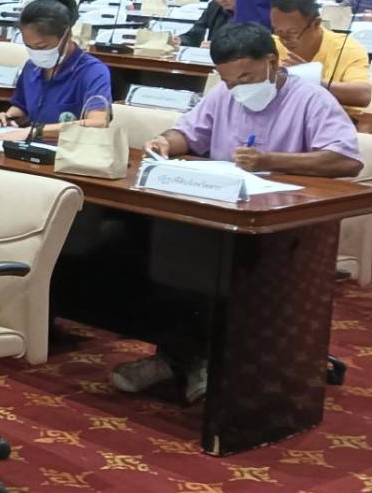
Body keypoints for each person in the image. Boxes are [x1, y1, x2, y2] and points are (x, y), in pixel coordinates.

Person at [115, 22, 361, 403]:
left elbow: (346, 160)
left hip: (282, 226)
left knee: (208, 271)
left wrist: (271, 160)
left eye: (245, 77)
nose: (237, 89)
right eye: (229, 81)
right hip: (219, 212)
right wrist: (165, 141)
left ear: (272, 62)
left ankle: (198, 361)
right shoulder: (224, 95)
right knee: (152, 252)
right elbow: (189, 134)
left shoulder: (312, 99)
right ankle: (182, 357)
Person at [0, 0, 113, 139]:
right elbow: (22, 108)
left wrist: (37, 131)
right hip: (32, 145)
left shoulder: (93, 71)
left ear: (67, 35)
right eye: (29, 47)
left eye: (42, 47)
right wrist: (7, 117)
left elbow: (98, 122)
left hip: (71, 147)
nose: (36, 53)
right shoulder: (31, 67)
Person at [268, 0, 371, 109]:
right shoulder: (270, 46)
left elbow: (363, 95)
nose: (285, 40)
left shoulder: (347, 49)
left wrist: (310, 80)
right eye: (279, 32)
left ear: (316, 24)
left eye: (292, 33)